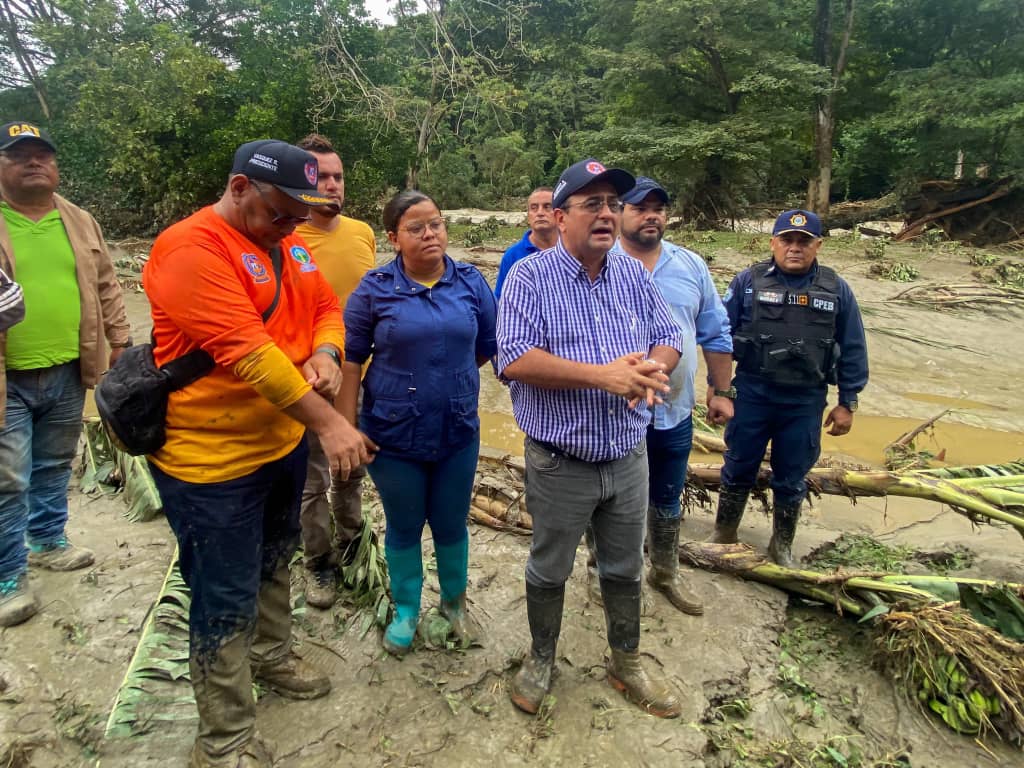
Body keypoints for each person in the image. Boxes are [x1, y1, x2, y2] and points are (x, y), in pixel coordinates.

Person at [143, 139, 375, 768]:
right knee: (222, 591)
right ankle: (223, 740)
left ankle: (271, 657)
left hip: (278, 443)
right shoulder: (190, 250)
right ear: (240, 187)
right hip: (210, 460)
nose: (293, 225)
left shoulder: (288, 241)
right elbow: (249, 353)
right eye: (281, 212)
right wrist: (330, 422)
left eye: (301, 214)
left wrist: (326, 353)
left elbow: (327, 306)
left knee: (278, 558)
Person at [497, 158, 685, 719]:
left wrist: (651, 370)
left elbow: (668, 335)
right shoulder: (530, 276)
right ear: (559, 216)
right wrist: (605, 375)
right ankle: (541, 658)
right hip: (561, 459)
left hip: (628, 455)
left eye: (612, 205)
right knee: (549, 564)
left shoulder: (630, 272)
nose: (607, 214)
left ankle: (625, 662)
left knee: (624, 566)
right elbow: (513, 358)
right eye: (592, 205)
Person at [339, 190, 497, 657]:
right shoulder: (373, 290)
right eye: (416, 227)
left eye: (436, 224)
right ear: (393, 237)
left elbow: (487, 345)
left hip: (457, 431)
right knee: (404, 525)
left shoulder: (471, 282)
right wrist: (348, 428)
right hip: (392, 435)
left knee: (451, 524)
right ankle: (407, 609)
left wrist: (451, 382)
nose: (430, 234)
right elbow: (351, 362)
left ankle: (454, 605)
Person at [0, 121, 130, 628]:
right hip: (7, 375)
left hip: (68, 367)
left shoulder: (78, 220)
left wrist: (120, 342)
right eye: (19, 155)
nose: (34, 163)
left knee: (54, 461)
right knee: (9, 476)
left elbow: (106, 285)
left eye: (42, 155)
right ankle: (9, 574)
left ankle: (48, 539)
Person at [709, 209, 868, 566]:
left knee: (792, 475)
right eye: (787, 240)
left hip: (805, 401)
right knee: (737, 465)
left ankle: (781, 546)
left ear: (818, 245)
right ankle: (724, 534)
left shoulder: (836, 288)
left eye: (804, 241)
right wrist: (718, 389)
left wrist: (848, 402)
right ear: (773, 243)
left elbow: (853, 346)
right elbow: (719, 336)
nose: (794, 248)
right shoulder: (747, 282)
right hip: (751, 393)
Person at [608, 175, 734, 615]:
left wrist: (722, 391)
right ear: (620, 212)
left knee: (666, 496)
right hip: (615, 414)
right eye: (641, 208)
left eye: (658, 209)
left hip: (675, 411)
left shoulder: (690, 266)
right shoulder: (600, 264)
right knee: (610, 501)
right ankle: (602, 574)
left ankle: (665, 572)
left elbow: (715, 331)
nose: (651, 216)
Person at [293, 133, 376, 609]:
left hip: (361, 375)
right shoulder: (283, 238)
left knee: (352, 468)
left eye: (337, 176)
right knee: (311, 479)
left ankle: (353, 542)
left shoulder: (362, 232)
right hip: (306, 380)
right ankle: (317, 561)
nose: (331, 185)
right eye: (320, 176)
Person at [493, 187, 556, 299]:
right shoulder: (512, 256)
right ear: (528, 216)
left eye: (547, 207)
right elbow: (501, 301)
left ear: (559, 214)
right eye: (534, 208)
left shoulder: (572, 251)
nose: (540, 213)